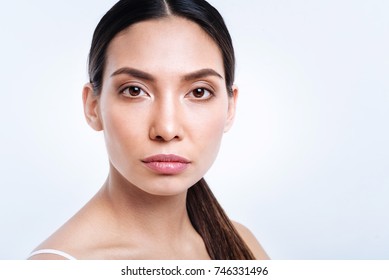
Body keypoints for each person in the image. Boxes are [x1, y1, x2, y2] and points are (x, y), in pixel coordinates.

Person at [28, 0, 269, 260]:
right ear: (92, 106)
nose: (166, 129)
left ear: (230, 108)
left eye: (199, 92)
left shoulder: (242, 243)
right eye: (134, 90)